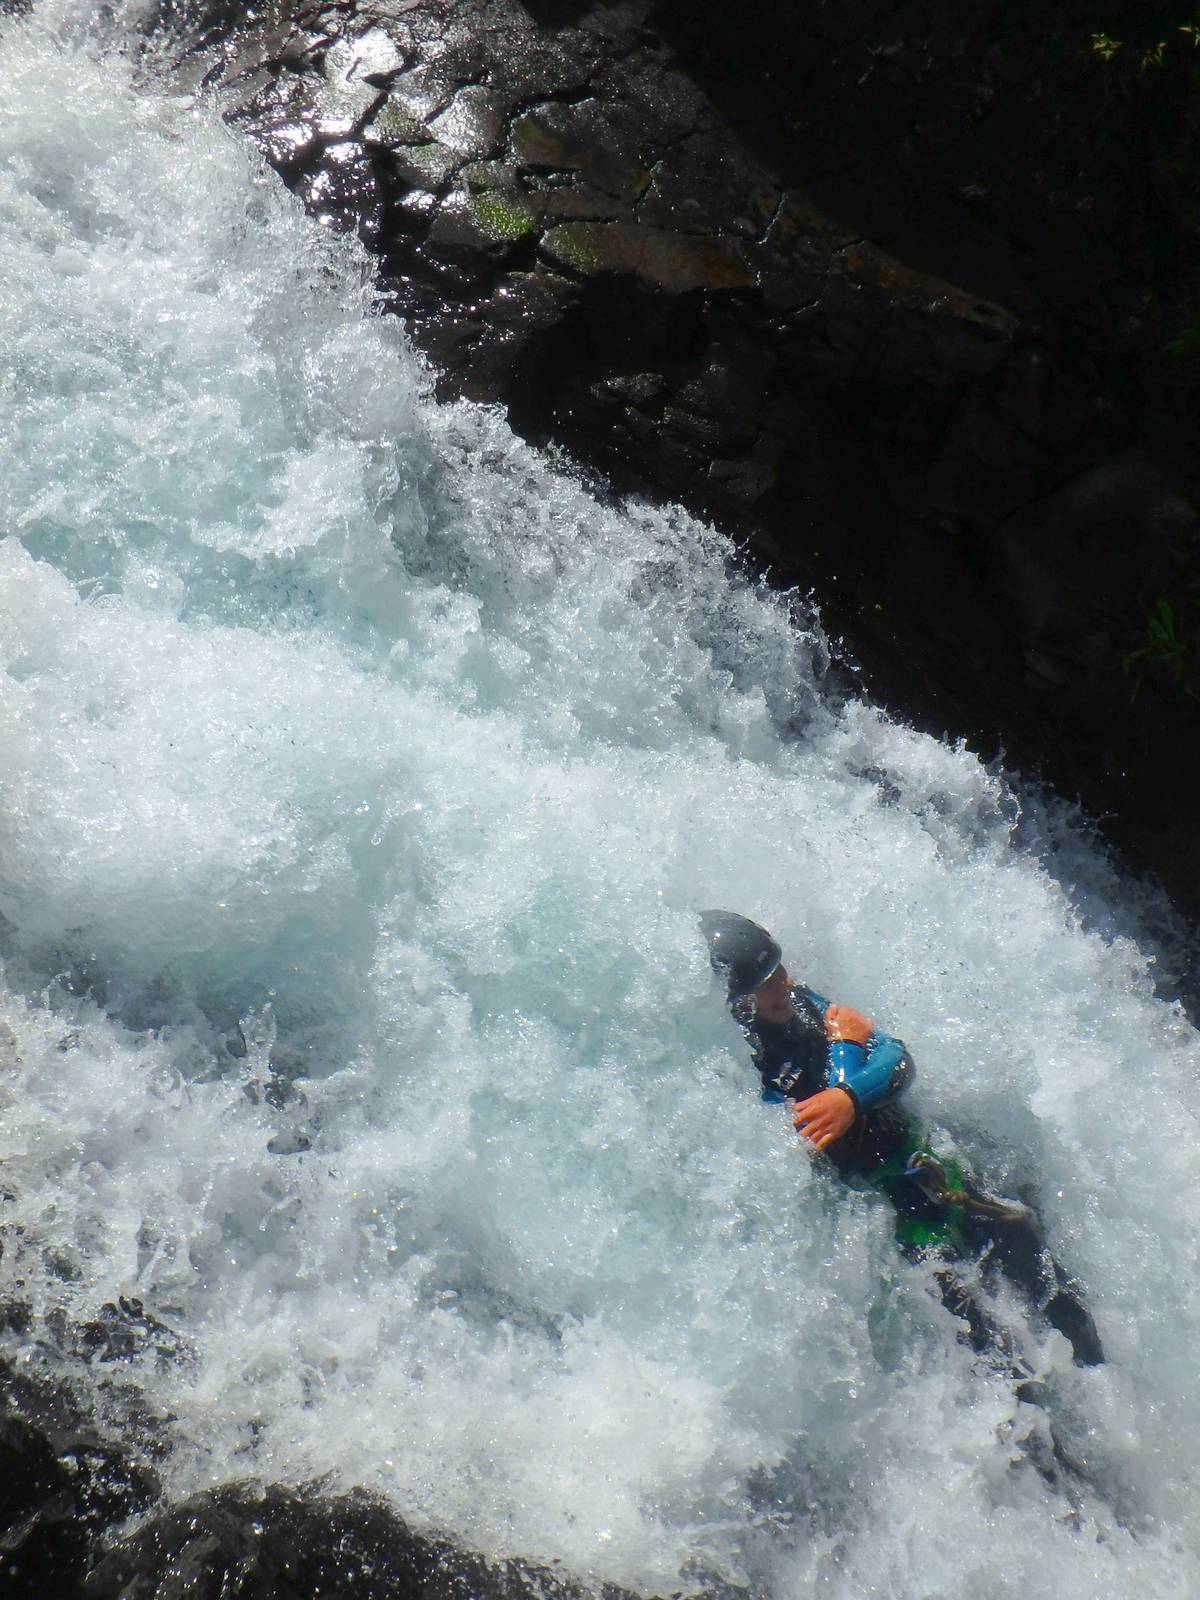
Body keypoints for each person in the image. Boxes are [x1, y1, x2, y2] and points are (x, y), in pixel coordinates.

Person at [700, 910, 1103, 1369]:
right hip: (894, 1216)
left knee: (1051, 1283)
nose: (784, 985)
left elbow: (896, 1057)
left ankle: (1105, 1388)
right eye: (766, 982)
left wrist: (848, 1091)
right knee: (989, 1352)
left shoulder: (801, 1003)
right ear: (738, 1003)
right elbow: (828, 1122)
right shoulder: (749, 1067)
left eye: (780, 971)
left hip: (934, 1165)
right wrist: (848, 1061)